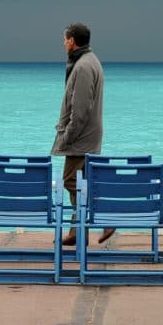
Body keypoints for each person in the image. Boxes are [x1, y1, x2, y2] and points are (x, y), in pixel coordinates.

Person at [52, 22, 114, 247]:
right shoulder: (87, 61)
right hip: (87, 135)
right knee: (83, 181)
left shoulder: (84, 67)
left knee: (70, 180)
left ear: (72, 40)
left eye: (65, 39)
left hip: (81, 138)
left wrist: (67, 137)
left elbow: (79, 110)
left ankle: (105, 217)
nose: (63, 43)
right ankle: (77, 231)